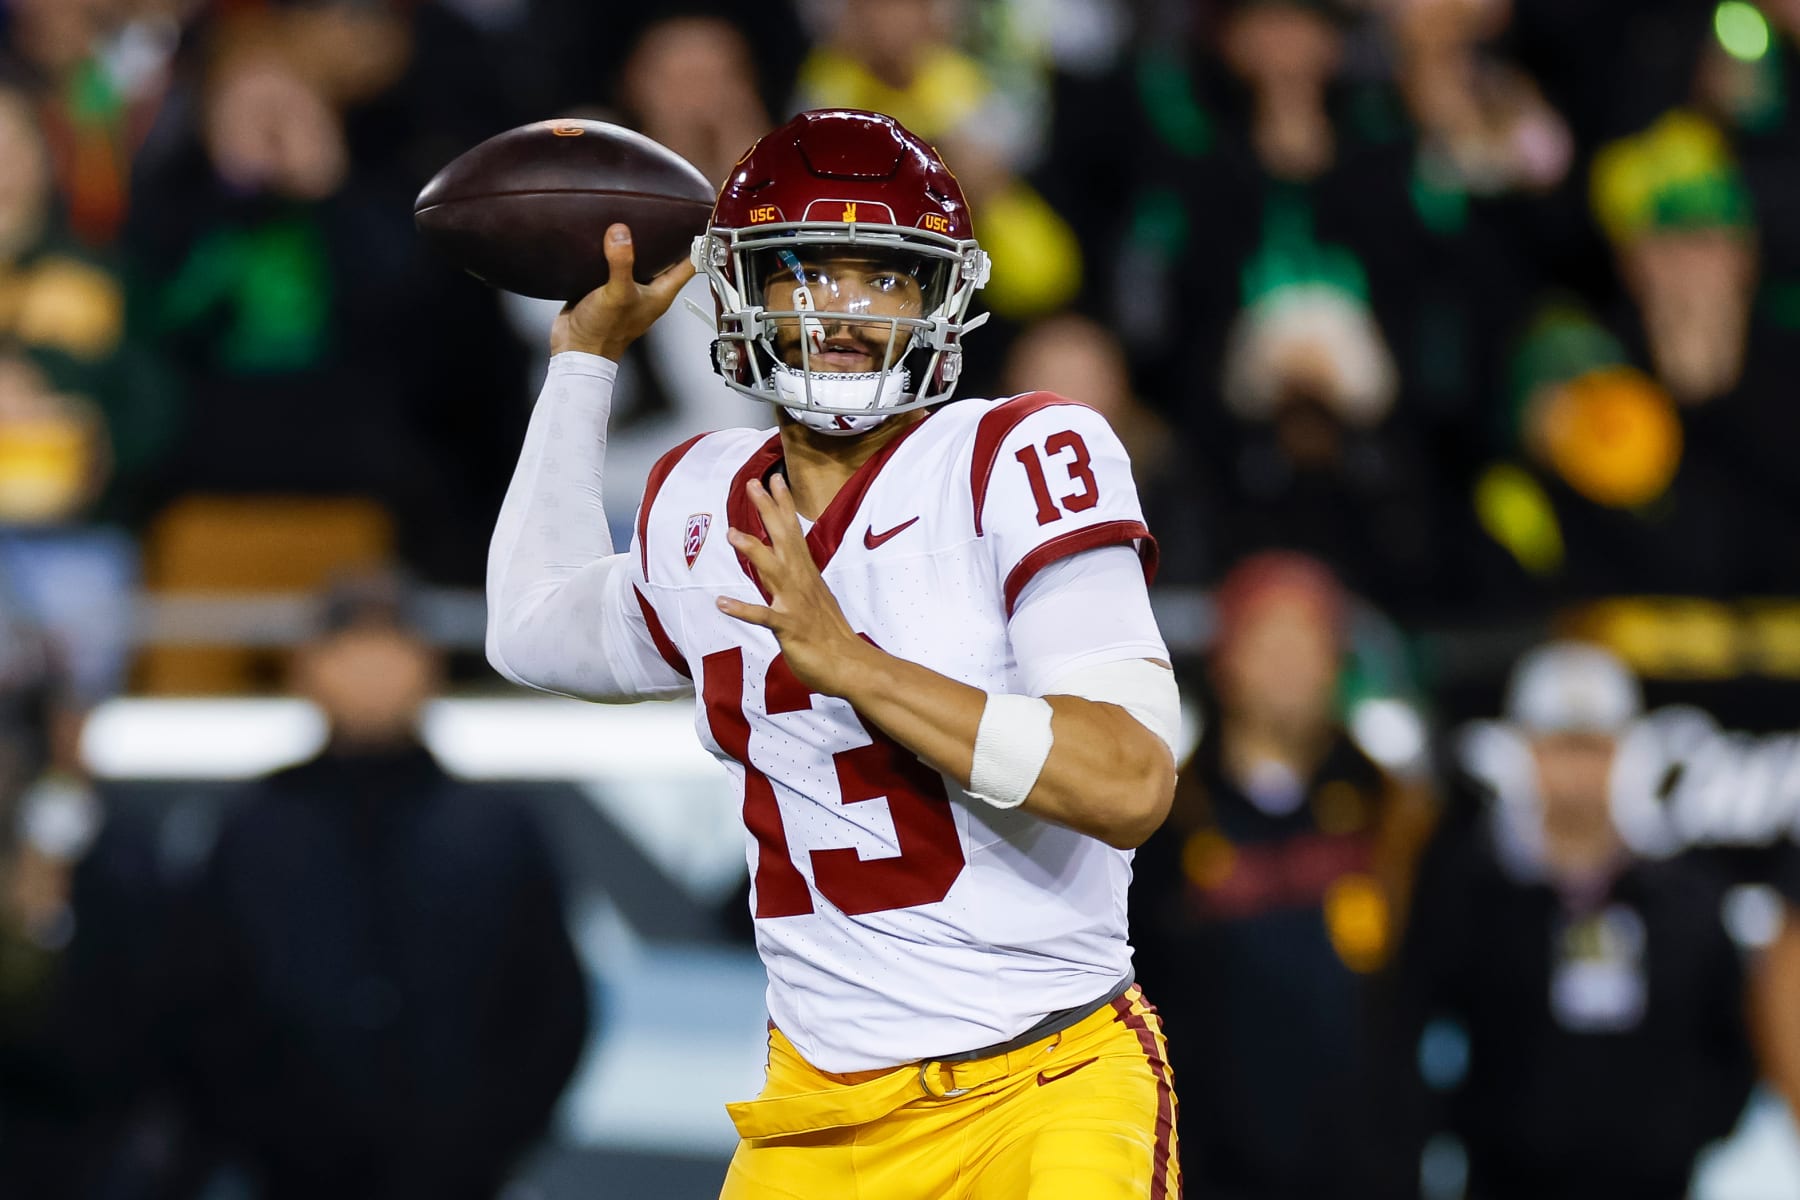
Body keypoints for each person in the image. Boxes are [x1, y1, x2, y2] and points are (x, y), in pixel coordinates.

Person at [487, 108, 1183, 1199]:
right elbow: (531, 625)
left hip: (1042, 1093)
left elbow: (1129, 779)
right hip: (817, 1122)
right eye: (808, 274)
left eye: (885, 279)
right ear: (744, 290)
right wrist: (583, 363)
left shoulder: (1017, 453)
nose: (845, 313)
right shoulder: (703, 500)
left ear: (941, 298)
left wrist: (853, 664)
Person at [175, 570, 589, 1200]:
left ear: (428, 668)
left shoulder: (496, 829)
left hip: (460, 1178)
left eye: (390, 646)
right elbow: (200, 1008)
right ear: (305, 670)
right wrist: (266, 1139)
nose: (370, 671)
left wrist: (483, 1141)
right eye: (347, 649)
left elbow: (554, 1008)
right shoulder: (251, 833)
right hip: (288, 1178)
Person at [1383, 641, 1754, 1200]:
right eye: (1561, 746)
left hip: (1654, 1185)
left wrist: (1688, 1131)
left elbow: (1733, 1032)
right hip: (1505, 1182)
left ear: (1624, 750)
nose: (1577, 769)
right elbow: (1411, 1020)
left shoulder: (1683, 898)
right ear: (1527, 751)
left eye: (1593, 747)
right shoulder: (1473, 894)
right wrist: (1462, 1127)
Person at [1131, 551, 1432, 1199]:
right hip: (1210, 1168)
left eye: (1309, 639)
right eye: (1269, 638)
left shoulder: (1396, 812)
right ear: (1225, 659)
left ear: (1337, 662)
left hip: (1368, 1170)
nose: (1289, 663)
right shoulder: (1163, 818)